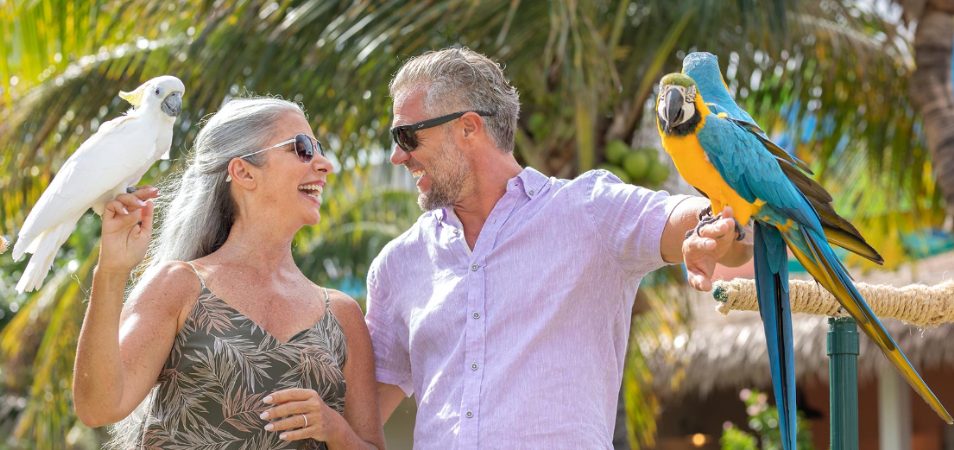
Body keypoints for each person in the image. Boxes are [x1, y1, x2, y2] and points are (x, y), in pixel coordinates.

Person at [365, 48, 753, 448]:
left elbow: (714, 227)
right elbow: (363, 419)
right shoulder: (397, 265)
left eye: (406, 136)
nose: (397, 156)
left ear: (468, 127)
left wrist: (716, 233)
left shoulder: (590, 212)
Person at [71, 98, 384, 450]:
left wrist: (335, 429)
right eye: (303, 148)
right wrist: (112, 271)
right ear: (244, 172)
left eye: (319, 150)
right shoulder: (179, 286)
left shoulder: (342, 316)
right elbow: (98, 407)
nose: (324, 164)